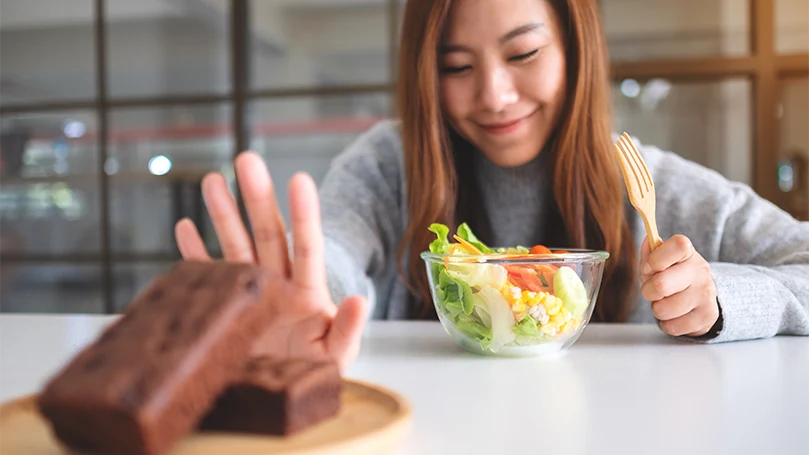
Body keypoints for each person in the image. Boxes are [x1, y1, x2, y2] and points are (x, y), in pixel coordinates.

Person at [174, 0, 809, 371]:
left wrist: (720, 298)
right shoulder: (390, 164)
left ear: (574, 49)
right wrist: (303, 290)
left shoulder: (651, 186)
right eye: (456, 66)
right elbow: (336, 245)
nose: (494, 96)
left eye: (524, 54)